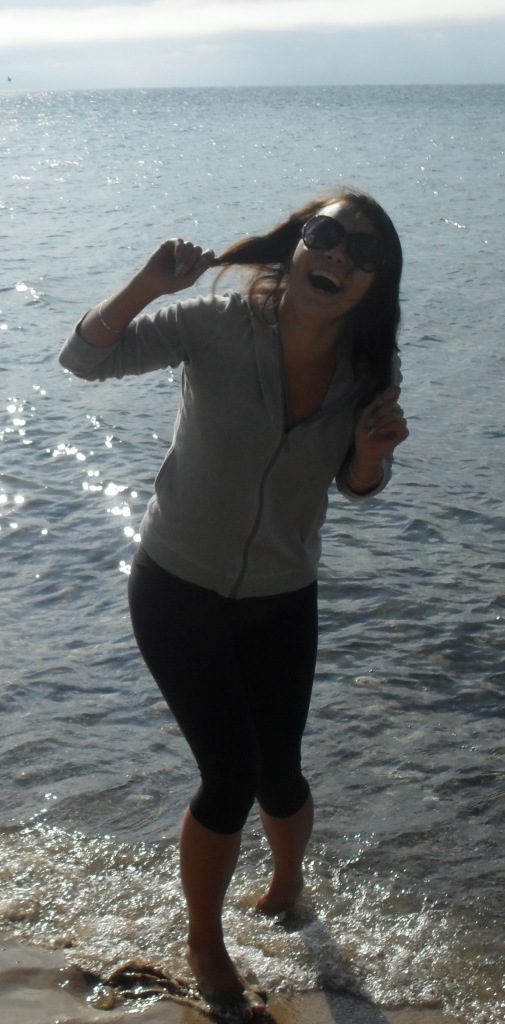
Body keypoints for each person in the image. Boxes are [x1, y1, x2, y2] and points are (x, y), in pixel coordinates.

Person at [59, 188, 408, 1021]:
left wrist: (369, 455)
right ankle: (205, 945)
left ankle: (287, 888)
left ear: (374, 284)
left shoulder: (367, 369)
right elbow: (85, 359)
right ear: (296, 244)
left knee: (279, 770)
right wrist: (149, 284)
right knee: (230, 774)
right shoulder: (215, 324)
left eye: (363, 253)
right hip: (177, 586)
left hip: (282, 596)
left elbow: (357, 486)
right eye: (326, 234)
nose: (339, 256)